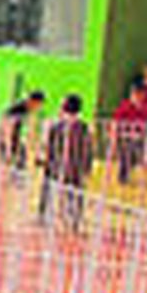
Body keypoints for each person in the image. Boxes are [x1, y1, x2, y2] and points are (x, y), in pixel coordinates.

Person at [40, 94, 94, 230]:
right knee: (74, 195)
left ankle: (47, 217)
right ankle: (74, 220)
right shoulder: (84, 128)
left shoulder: (57, 126)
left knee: (53, 192)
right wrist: (87, 167)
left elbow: (49, 147)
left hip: (59, 167)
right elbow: (88, 150)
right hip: (75, 169)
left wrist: (46, 161)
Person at [113, 82, 147, 185]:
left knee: (134, 157)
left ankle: (128, 174)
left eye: (142, 94)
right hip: (126, 137)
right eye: (138, 94)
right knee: (126, 155)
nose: (141, 97)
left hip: (139, 137)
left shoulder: (145, 108)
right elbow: (116, 121)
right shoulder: (125, 106)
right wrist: (116, 135)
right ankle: (123, 177)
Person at [0, 90, 45, 173]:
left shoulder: (29, 110)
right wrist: (8, 150)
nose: (39, 107)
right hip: (6, 140)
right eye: (39, 104)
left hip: (15, 139)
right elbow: (7, 131)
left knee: (21, 163)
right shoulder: (16, 110)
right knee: (7, 168)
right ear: (33, 101)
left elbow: (31, 134)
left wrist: (37, 154)